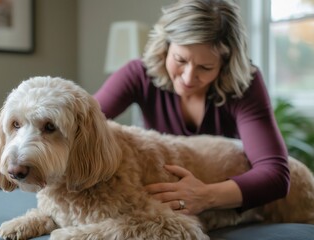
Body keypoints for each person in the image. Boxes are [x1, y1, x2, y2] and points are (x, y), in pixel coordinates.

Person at [94, 0, 290, 216]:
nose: (188, 77)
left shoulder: (244, 85)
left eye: (205, 67)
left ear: (225, 64)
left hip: (222, 209)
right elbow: (82, 126)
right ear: (165, 47)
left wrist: (206, 195)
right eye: (180, 59)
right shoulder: (138, 74)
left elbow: (275, 174)